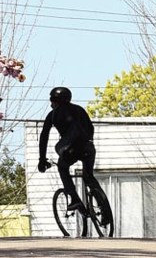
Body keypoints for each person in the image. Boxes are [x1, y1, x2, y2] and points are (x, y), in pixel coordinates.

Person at [38, 86, 106, 217]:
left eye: (52, 100)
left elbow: (44, 137)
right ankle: (104, 208)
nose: (51, 103)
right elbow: (90, 128)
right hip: (88, 147)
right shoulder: (80, 110)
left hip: (72, 150)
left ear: (55, 101)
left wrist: (42, 159)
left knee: (62, 167)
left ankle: (74, 199)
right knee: (89, 177)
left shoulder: (52, 115)